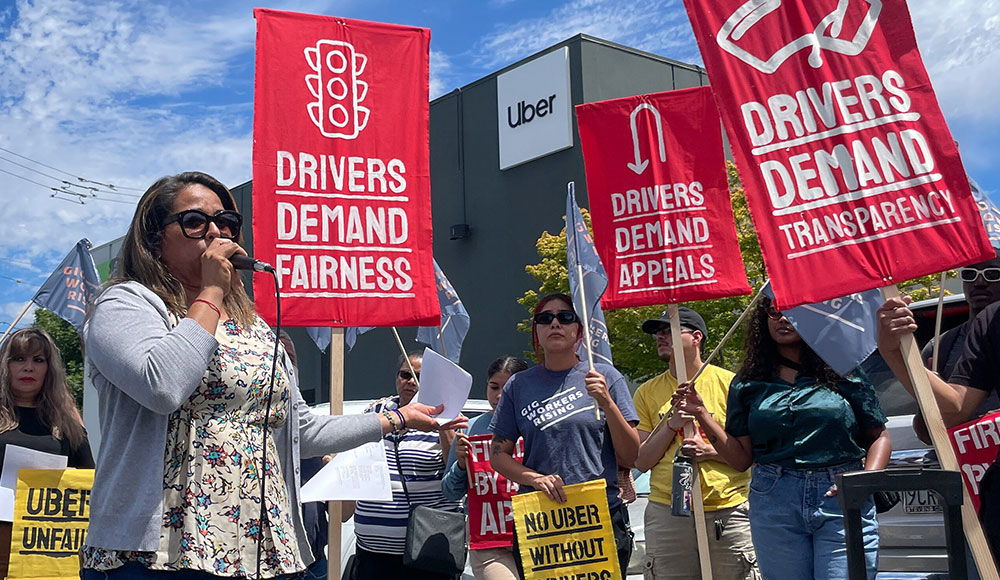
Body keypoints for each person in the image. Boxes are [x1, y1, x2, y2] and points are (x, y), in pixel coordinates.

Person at [80, 171, 461, 579]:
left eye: (226, 222)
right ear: (154, 238)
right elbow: (162, 385)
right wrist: (210, 293)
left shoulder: (253, 325)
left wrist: (398, 419)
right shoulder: (125, 303)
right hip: (161, 550)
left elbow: (301, 430)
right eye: (195, 222)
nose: (216, 232)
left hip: (259, 546)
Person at [677, 297, 890, 580]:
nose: (782, 318)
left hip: (841, 494)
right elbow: (740, 459)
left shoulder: (843, 369)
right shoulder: (748, 382)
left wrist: (866, 480)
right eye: (774, 311)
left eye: (793, 310)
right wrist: (702, 413)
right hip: (774, 497)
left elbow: (879, 436)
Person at [489, 293, 640, 577]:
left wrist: (607, 403)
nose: (555, 323)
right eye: (545, 319)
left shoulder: (605, 376)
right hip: (542, 521)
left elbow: (631, 455)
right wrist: (534, 478)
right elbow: (498, 456)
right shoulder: (518, 386)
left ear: (579, 330)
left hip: (600, 515)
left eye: (565, 317)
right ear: (537, 330)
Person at [632, 307, 758, 579]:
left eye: (669, 330)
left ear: (696, 337)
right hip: (667, 511)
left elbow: (753, 454)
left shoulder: (731, 385)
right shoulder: (647, 392)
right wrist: (670, 425)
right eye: (657, 333)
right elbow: (641, 460)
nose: (660, 337)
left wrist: (709, 451)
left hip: (728, 508)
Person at [879, 292, 1000, 562]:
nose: (980, 280)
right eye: (969, 273)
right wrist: (894, 350)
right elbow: (954, 409)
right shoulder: (992, 320)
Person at [351, 351, 465, 579]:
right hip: (373, 553)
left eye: (420, 377)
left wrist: (443, 424)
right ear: (396, 378)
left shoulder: (449, 416)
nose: (412, 382)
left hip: (428, 549)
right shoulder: (376, 412)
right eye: (406, 374)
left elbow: (453, 470)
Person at [0, 327, 95, 576]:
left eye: (38, 360)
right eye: (19, 359)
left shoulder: (69, 428)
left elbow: (90, 483)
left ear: (49, 369)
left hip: (46, 551)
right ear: (4, 365)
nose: (28, 367)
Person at [441, 355, 530, 580]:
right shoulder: (470, 429)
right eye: (494, 387)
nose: (499, 395)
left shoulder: (536, 426)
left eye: (508, 388)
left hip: (533, 532)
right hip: (489, 540)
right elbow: (450, 492)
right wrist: (461, 465)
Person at [913, 253, 1000, 442]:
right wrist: (934, 396)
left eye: (992, 274)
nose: (979, 282)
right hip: (961, 464)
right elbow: (925, 433)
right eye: (969, 274)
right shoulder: (939, 347)